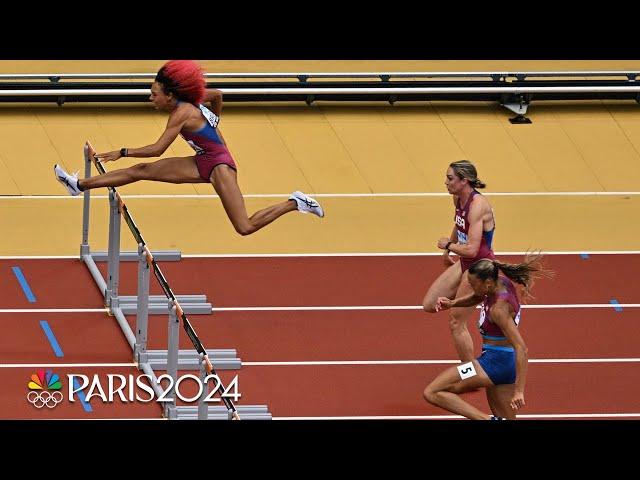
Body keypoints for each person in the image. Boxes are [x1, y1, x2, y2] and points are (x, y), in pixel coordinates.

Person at [54, 60, 324, 235]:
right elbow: (217, 95)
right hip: (203, 158)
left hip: (219, 165)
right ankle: (78, 186)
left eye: (154, 94)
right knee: (141, 170)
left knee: (244, 226)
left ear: (170, 96)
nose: (150, 98)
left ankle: (295, 202)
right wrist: (214, 119)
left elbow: (158, 149)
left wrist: (122, 152)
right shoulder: (190, 100)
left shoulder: (180, 114)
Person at [423, 255, 551, 420]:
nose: (469, 286)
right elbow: (478, 296)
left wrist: (519, 391)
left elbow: (522, 348)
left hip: (493, 365)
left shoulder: (499, 309)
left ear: (487, 283)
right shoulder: (500, 283)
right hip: (504, 366)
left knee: (433, 391)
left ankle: (484, 419)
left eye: (473, 284)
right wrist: (453, 303)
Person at [422, 160, 495, 362]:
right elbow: (459, 224)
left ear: (465, 181)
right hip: (464, 264)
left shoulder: (478, 206)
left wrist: (448, 246)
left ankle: (469, 373)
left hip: (480, 269)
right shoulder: (458, 199)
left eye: (450, 178)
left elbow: (472, 249)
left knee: (456, 322)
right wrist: (450, 247)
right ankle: (471, 297)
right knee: (429, 304)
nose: (446, 182)